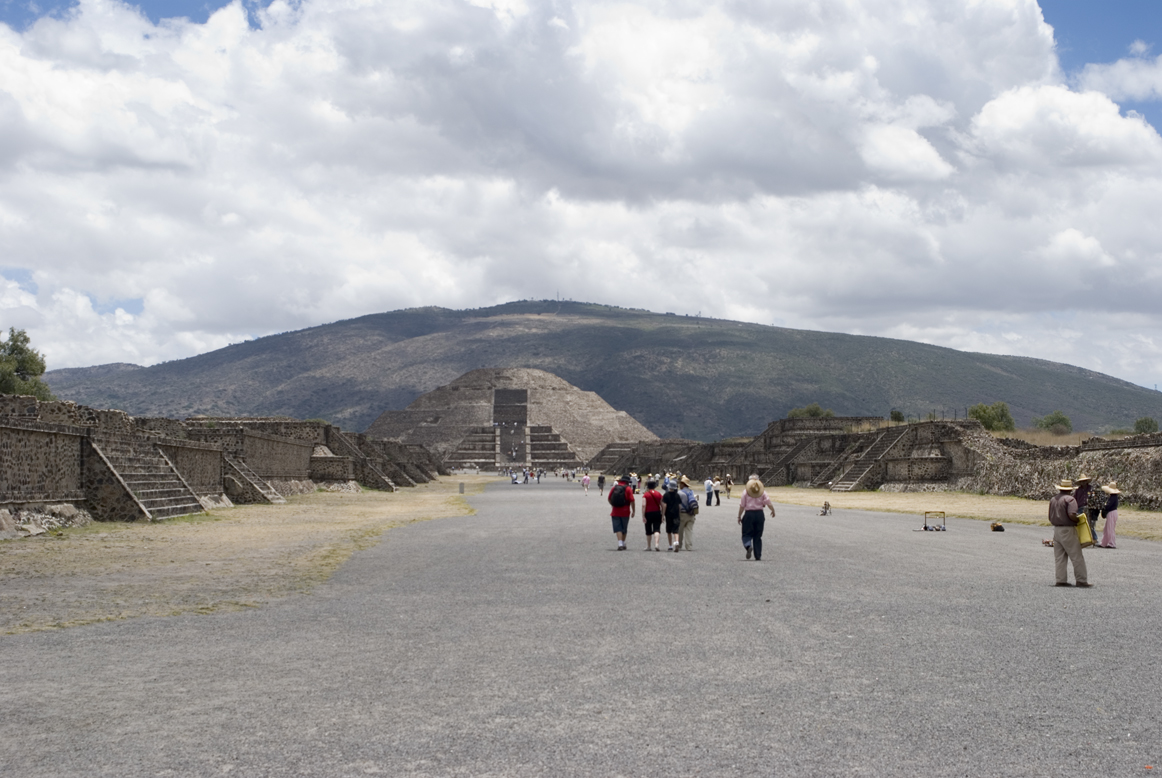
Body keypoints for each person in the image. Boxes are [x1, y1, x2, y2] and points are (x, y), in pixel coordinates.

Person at [1049, 479, 1091, 587]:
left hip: (1056, 529)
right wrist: (1078, 521)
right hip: (1068, 529)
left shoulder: (1053, 499)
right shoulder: (1070, 500)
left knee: (1060, 557)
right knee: (1076, 555)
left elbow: (1050, 516)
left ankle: (1060, 579)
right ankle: (1081, 580)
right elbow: (1072, 514)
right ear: (1070, 490)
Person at [738, 476, 777, 560]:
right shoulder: (762, 492)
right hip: (759, 514)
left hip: (749, 514)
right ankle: (758, 555)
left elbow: (742, 506)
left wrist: (739, 516)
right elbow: (768, 502)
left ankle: (748, 546)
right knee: (758, 535)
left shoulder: (745, 492)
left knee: (746, 533)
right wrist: (773, 510)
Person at [607, 474, 635, 551]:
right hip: (625, 511)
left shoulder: (614, 488)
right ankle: (623, 542)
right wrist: (633, 510)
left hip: (615, 510)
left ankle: (620, 543)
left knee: (618, 528)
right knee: (624, 528)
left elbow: (609, 498)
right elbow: (632, 500)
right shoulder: (628, 489)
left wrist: (613, 505)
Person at [641, 479, 664, 551]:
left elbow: (643, 505)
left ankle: (649, 546)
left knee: (648, 530)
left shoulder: (646, 494)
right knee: (657, 529)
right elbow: (662, 505)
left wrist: (643, 515)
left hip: (648, 513)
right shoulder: (658, 494)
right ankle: (656, 544)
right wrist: (663, 515)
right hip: (657, 512)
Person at [677, 476, 698, 552]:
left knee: (680, 530)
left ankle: (679, 545)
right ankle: (689, 546)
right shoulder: (691, 492)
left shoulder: (680, 493)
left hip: (682, 514)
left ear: (683, 484)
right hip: (691, 514)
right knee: (689, 530)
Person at [1074, 474, 1096, 544]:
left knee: (1090, 524)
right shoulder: (1078, 490)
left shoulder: (1091, 489)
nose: (1083, 483)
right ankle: (1082, 539)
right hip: (1080, 508)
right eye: (1082, 481)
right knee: (1081, 523)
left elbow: (1094, 498)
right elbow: (1075, 499)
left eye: (1084, 481)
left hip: (1089, 508)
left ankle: (1094, 538)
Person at [1099, 482, 1120, 548]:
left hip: (1112, 512)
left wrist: (1103, 507)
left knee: (1110, 528)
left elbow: (1108, 506)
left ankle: (1111, 543)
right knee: (1107, 528)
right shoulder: (1113, 497)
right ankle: (1104, 543)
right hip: (1112, 512)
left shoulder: (1113, 497)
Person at [662, 482, 682, 551]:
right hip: (676, 514)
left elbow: (665, 505)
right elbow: (679, 506)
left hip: (668, 514)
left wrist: (663, 515)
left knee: (669, 530)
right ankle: (676, 542)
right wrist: (679, 513)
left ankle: (670, 545)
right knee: (676, 530)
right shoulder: (677, 495)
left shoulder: (666, 495)